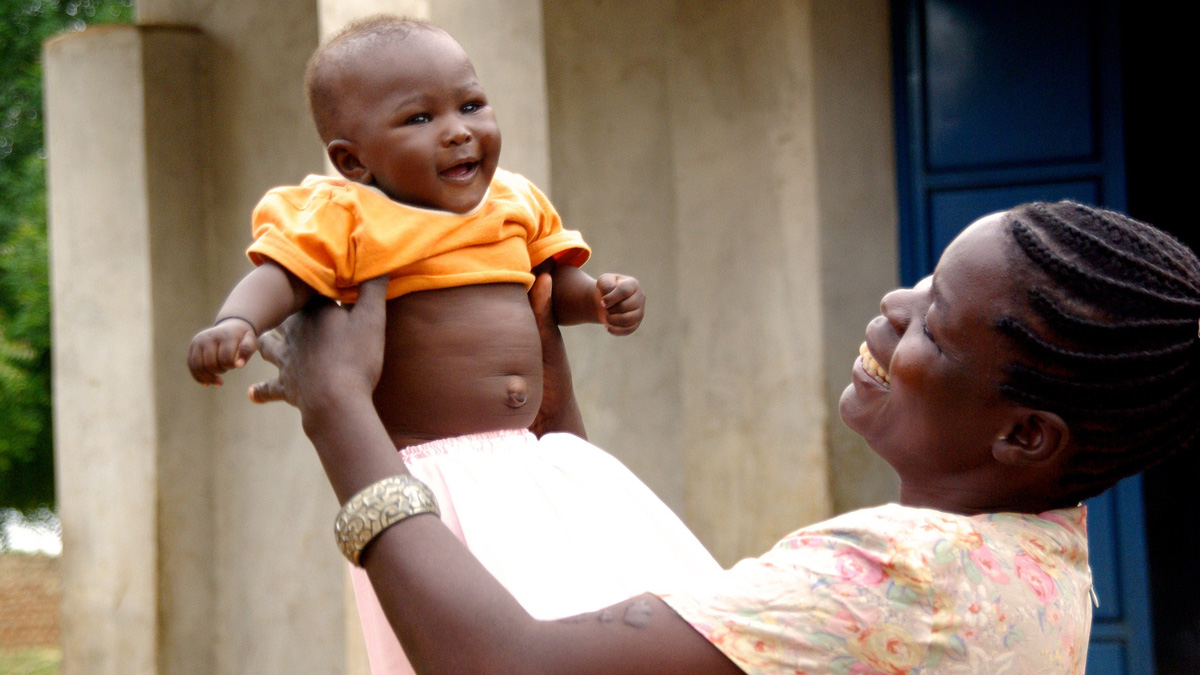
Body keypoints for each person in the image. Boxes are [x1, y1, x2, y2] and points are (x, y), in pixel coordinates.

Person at [252, 201, 1199, 674]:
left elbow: (507, 665)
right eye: (922, 280)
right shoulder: (1041, 562)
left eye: (935, 322)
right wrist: (544, 399)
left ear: (1027, 434)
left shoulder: (895, 576)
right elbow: (602, 601)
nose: (892, 305)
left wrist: (339, 407)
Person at [186, 15, 720, 674]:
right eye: (418, 119)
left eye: (471, 104)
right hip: (433, 472)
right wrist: (235, 323)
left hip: (538, 461)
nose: (459, 128)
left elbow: (556, 280)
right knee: (489, 615)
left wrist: (601, 299)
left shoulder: (513, 199)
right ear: (354, 159)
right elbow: (279, 275)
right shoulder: (344, 216)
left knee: (603, 590)